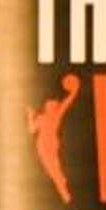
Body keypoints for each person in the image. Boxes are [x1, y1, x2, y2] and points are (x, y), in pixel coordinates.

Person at [27, 73, 80, 202]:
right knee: (50, 169)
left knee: (54, 167)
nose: (50, 105)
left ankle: (64, 191)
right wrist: (30, 116)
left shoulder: (56, 116)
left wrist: (75, 90)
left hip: (51, 143)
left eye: (53, 104)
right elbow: (31, 130)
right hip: (42, 145)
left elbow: (67, 103)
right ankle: (61, 181)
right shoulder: (41, 117)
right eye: (48, 104)